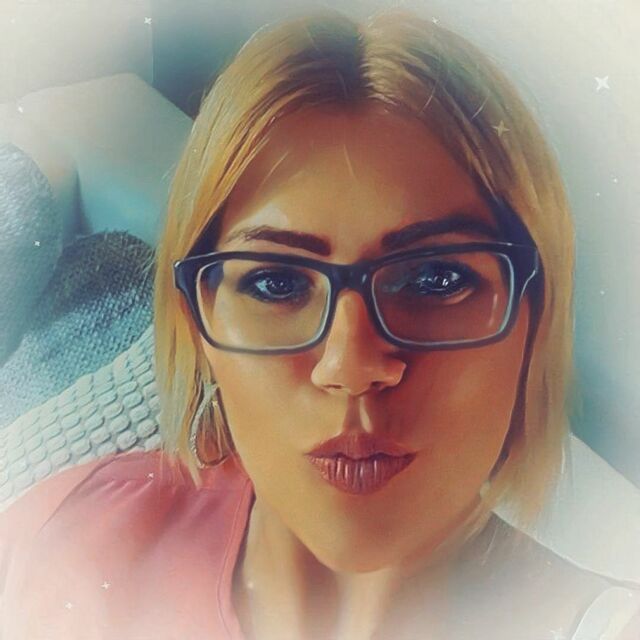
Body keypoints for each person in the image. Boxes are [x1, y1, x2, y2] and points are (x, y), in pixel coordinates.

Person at [1, 7, 639, 640]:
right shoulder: (63, 541)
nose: (350, 368)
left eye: (435, 279)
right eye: (276, 283)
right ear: (197, 323)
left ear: (535, 313)